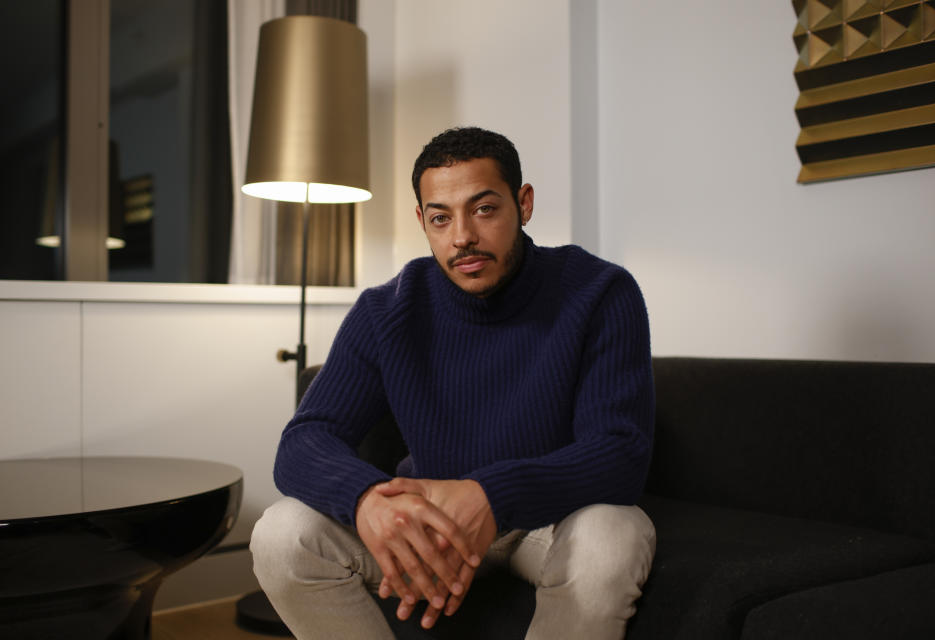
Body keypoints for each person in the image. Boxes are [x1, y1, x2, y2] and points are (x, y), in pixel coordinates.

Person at [251, 127, 656, 639]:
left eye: (484, 209)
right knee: (282, 533)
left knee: (613, 534)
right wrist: (366, 499)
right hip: (431, 522)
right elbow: (303, 441)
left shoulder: (599, 292)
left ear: (523, 203)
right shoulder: (386, 310)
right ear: (422, 221)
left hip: (549, 520)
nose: (462, 235)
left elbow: (620, 452)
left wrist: (489, 494)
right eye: (441, 217)